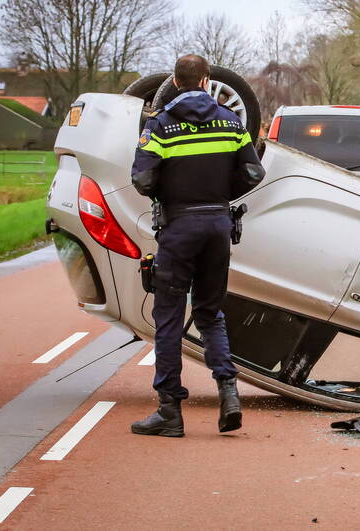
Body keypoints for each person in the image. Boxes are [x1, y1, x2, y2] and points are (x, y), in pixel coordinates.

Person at [129, 54, 265, 437]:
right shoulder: (231, 121)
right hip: (218, 227)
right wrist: (222, 196)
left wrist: (167, 197)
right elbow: (254, 172)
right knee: (210, 313)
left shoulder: (160, 125)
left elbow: (141, 179)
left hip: (179, 227)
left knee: (169, 317)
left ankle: (170, 411)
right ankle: (229, 394)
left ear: (175, 81)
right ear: (207, 81)